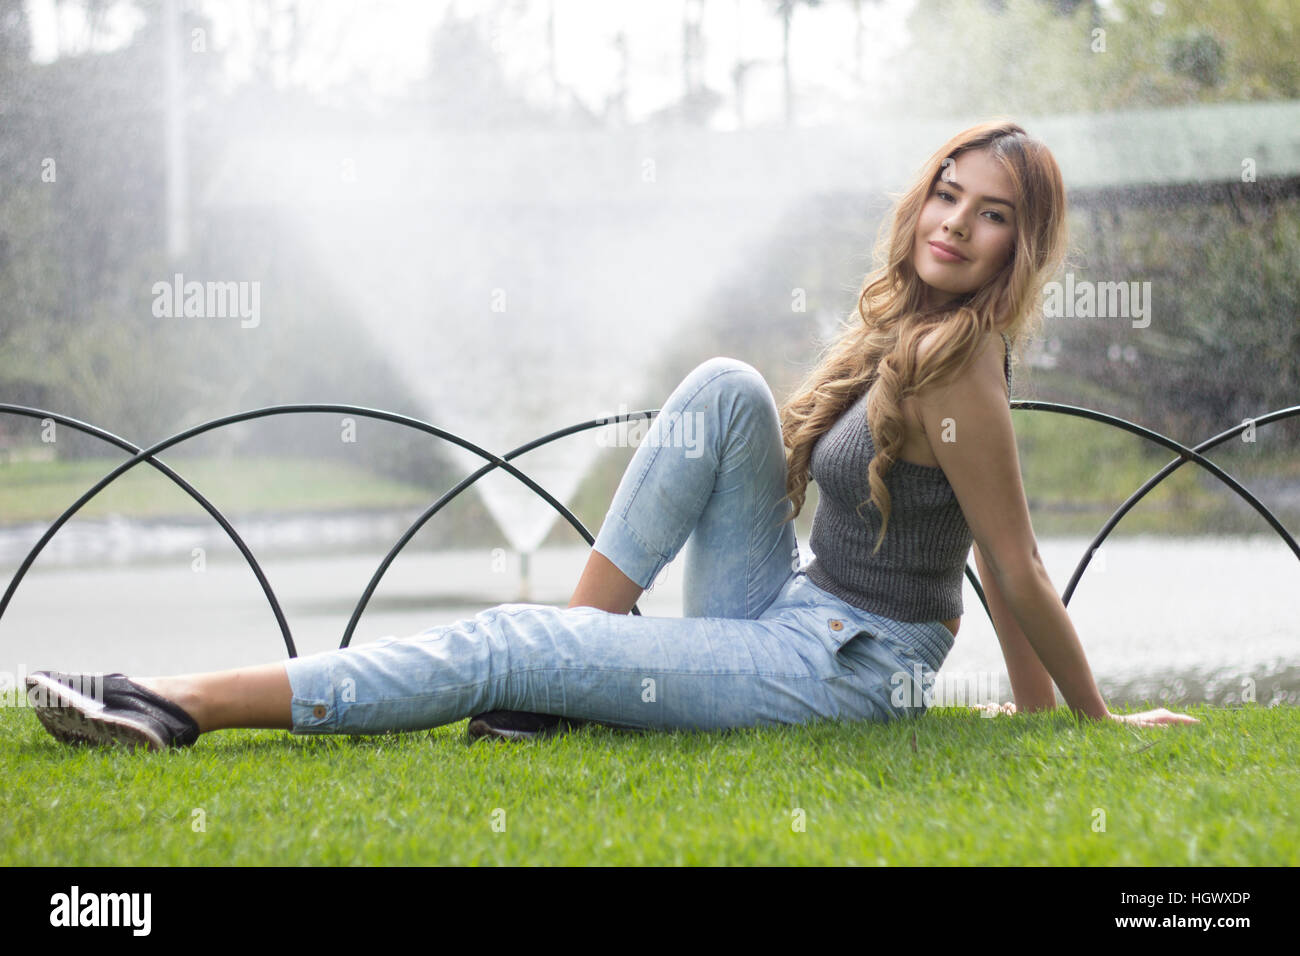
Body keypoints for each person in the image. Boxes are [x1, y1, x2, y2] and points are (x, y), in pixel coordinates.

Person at [25, 119, 1198, 752]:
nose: (955, 221)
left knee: (496, 638)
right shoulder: (904, 322)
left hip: (844, 670)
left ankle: (174, 701)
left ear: (1017, 245)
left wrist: (1082, 727)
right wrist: (1041, 719)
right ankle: (566, 657)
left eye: (991, 215)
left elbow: (1016, 565)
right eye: (948, 191)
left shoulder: (964, 366)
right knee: (728, 385)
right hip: (791, 603)